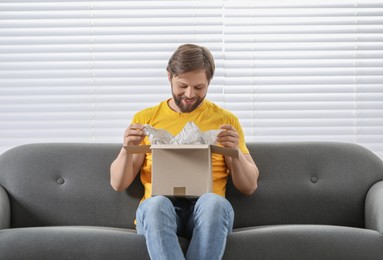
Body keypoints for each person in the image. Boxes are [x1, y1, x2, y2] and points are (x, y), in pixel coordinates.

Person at [110, 43, 259, 260]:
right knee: (156, 204)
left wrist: (233, 151)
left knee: (214, 203)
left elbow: (249, 186)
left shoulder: (226, 121)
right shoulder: (145, 119)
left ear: (209, 82)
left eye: (199, 88)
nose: (190, 94)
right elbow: (117, 183)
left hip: (207, 213)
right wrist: (127, 150)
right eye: (183, 85)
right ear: (169, 76)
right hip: (160, 212)